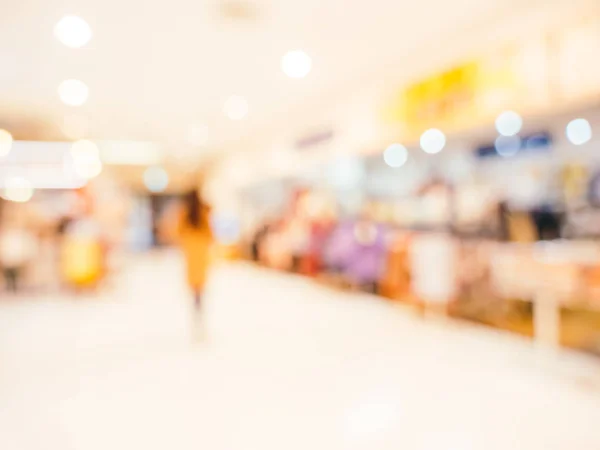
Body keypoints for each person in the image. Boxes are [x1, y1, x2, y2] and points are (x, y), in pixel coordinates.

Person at [177, 189, 214, 316]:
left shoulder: (184, 212)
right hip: (201, 248)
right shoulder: (203, 212)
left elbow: (179, 231)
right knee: (200, 278)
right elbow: (210, 232)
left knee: (193, 277)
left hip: (190, 248)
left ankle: (196, 300)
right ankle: (198, 300)